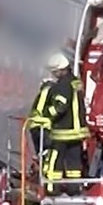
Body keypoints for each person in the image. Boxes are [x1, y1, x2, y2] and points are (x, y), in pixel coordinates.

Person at [41, 53, 89, 195]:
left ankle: (52, 189)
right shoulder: (75, 82)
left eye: (55, 72)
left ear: (60, 70)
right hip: (77, 131)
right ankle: (74, 189)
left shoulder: (62, 85)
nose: (54, 74)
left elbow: (60, 106)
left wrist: (46, 114)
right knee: (74, 161)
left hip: (63, 131)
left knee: (55, 161)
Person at [26, 76, 55, 156]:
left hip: (35, 126)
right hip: (43, 126)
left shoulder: (42, 93)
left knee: (41, 152)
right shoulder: (46, 92)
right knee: (47, 151)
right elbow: (40, 108)